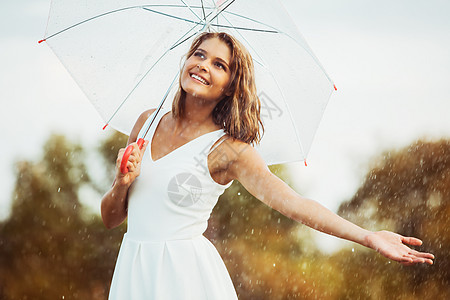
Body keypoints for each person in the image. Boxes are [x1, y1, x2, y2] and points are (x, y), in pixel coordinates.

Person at [101, 32, 434, 299]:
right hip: (133, 267)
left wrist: (367, 236)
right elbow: (111, 218)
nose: (203, 65)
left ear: (230, 85)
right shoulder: (147, 122)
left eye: (219, 64)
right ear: (186, 61)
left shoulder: (230, 150)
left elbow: (294, 203)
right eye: (199, 55)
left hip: (184, 275)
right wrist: (122, 182)